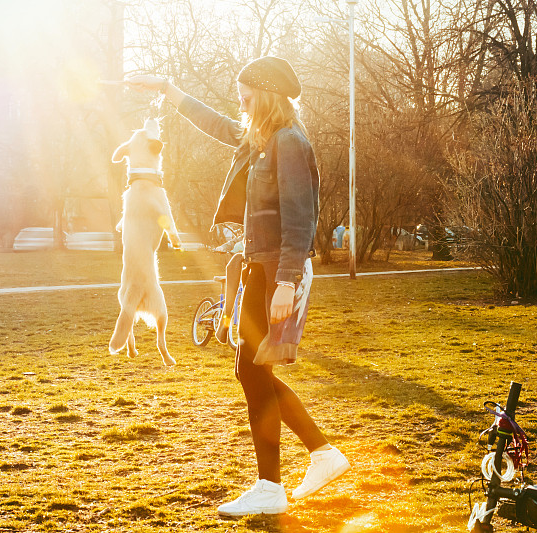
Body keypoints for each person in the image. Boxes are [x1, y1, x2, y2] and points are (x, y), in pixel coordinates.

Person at [126, 56, 349, 517]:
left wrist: (285, 281)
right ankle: (321, 455)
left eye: (245, 90)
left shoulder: (288, 142)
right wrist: (168, 89)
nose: (240, 98)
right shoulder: (261, 139)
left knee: (251, 372)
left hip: (275, 272)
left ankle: (273, 486)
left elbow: (301, 218)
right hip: (259, 266)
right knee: (253, 372)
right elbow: (215, 123)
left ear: (265, 91)